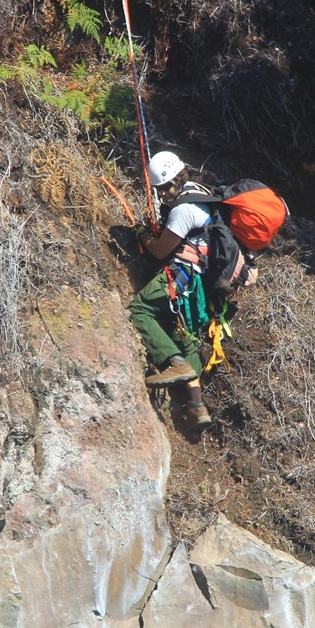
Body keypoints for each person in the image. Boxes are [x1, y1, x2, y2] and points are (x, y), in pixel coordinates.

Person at [128, 150, 217, 432]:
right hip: (201, 283)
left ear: (172, 183)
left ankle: (174, 362)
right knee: (185, 336)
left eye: (163, 190)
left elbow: (159, 251)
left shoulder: (182, 209)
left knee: (140, 310)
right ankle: (196, 404)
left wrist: (142, 233)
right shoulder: (200, 193)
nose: (163, 196)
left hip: (181, 275)